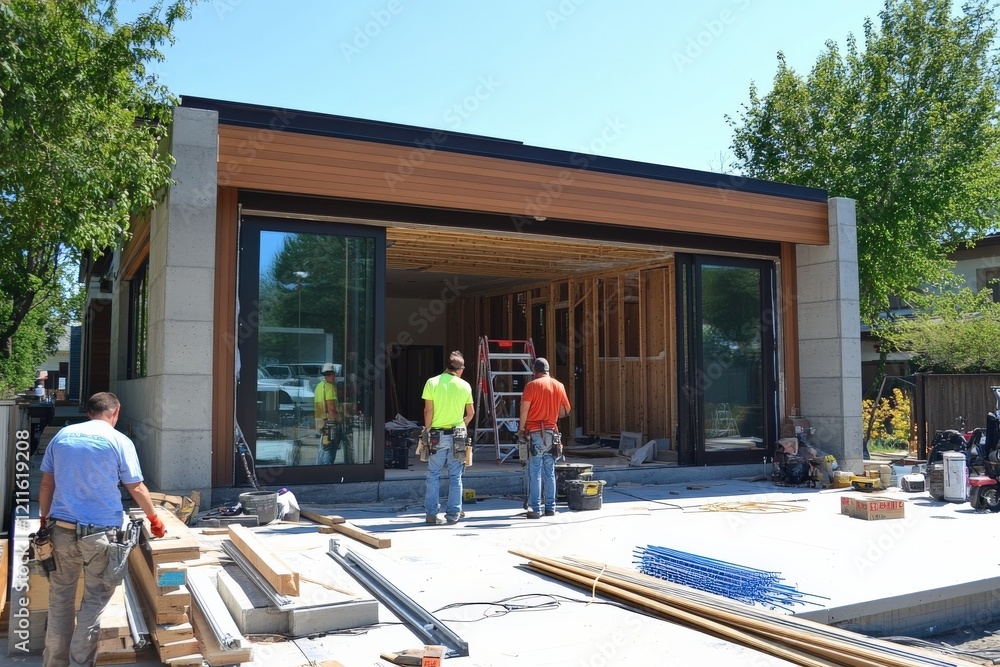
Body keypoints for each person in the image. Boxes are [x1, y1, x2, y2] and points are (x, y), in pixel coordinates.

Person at [39, 392, 165, 667]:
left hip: (61, 531)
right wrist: (154, 519)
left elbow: (47, 484)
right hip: (101, 535)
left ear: (89, 412)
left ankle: (54, 664)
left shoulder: (62, 436)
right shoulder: (119, 440)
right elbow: (136, 487)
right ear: (115, 412)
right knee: (93, 603)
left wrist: (43, 521)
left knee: (60, 601)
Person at [422, 351, 474, 525]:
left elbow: (428, 410)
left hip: (437, 435)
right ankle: (453, 514)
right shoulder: (465, 386)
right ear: (460, 369)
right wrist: (462, 425)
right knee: (456, 476)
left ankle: (431, 513)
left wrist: (427, 430)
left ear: (446, 367)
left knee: (433, 474)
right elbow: (471, 413)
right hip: (458, 436)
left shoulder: (432, 382)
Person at [518, 358, 571, 519]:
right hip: (552, 434)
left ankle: (535, 508)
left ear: (535, 371)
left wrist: (521, 429)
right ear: (548, 370)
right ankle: (550, 507)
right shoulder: (559, 385)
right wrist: (551, 410)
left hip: (535, 433)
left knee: (535, 472)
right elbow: (564, 411)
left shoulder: (531, 386)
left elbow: (524, 410)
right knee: (550, 472)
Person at [315, 362, 350, 465]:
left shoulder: (319, 386)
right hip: (330, 424)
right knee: (329, 451)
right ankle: (327, 471)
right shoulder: (330, 387)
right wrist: (340, 421)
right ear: (333, 374)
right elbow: (331, 408)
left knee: (323, 448)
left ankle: (318, 471)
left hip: (320, 422)